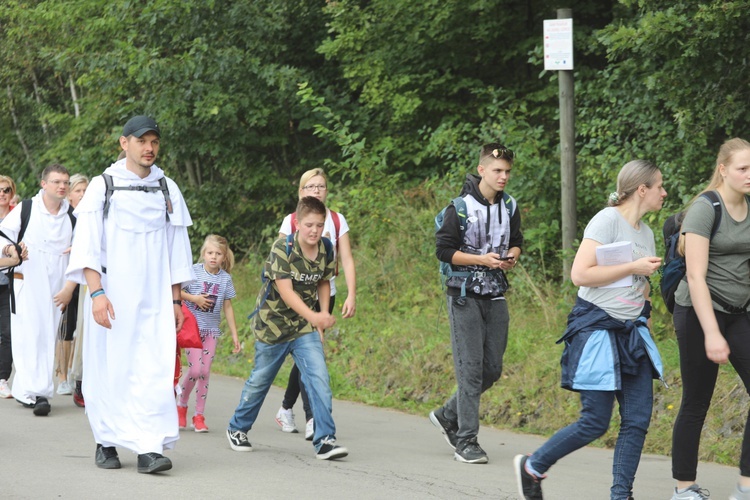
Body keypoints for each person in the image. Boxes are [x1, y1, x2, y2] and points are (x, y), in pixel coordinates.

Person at [513, 160, 667, 500]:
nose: (664, 192)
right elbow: (580, 275)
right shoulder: (607, 220)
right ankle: (533, 466)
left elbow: (642, 287)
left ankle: (620, 495)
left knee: (637, 420)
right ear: (642, 189)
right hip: (597, 328)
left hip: (633, 332)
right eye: (659, 186)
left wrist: (647, 321)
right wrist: (633, 266)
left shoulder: (647, 232)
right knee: (595, 421)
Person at [66, 115, 194, 474]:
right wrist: (97, 294)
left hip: (155, 297)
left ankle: (148, 447)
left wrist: (175, 300)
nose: (149, 148)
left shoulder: (167, 187)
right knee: (112, 368)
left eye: (154, 141)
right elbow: (87, 246)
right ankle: (105, 441)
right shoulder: (102, 185)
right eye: (142, 141)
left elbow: (177, 249)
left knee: (154, 368)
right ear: (124, 143)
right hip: (113, 295)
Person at [227, 196, 348, 461]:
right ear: (297, 223)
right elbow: (286, 292)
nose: (314, 230)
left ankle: (325, 439)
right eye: (309, 225)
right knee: (261, 381)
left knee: (319, 379)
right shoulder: (283, 248)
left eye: (319, 225)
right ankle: (237, 428)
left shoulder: (327, 247)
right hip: (273, 326)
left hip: (303, 327)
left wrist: (324, 312)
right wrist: (316, 317)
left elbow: (324, 282)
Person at [431, 143, 524, 464]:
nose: (503, 177)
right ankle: (466, 441)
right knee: (470, 371)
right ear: (482, 170)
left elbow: (517, 241)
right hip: (463, 295)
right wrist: (480, 260)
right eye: (497, 171)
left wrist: (511, 257)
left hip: (496, 294)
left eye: (508, 172)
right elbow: (444, 251)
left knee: (492, 369)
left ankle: (447, 414)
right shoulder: (458, 208)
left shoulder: (510, 206)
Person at [669, 138, 750, 500]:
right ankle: (684, 488)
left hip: (739, 312)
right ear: (723, 170)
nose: (749, 175)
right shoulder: (705, 209)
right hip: (699, 311)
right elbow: (696, 276)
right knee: (696, 400)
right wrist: (712, 334)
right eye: (742, 169)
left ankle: (745, 486)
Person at [274, 168, 356, 439]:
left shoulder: (335, 219)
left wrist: (351, 294)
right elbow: (279, 263)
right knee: (309, 353)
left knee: (308, 354)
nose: (317, 191)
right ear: (301, 193)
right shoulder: (290, 221)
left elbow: (346, 259)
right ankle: (310, 417)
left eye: (321, 186)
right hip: (297, 299)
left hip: (324, 295)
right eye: (311, 187)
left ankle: (288, 409)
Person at [0, 164, 76, 416]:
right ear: (44, 184)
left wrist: (69, 288)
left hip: (56, 287)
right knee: (27, 334)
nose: (62, 186)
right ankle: (38, 393)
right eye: (56, 182)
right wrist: (12, 251)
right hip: (27, 281)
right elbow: (3, 238)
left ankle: (32, 390)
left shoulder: (72, 217)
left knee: (47, 335)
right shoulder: (27, 209)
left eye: (65, 182)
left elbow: (82, 252)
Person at [177, 234, 241, 433]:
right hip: (193, 329)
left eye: (218, 253)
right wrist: (195, 299)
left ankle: (199, 415)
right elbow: (177, 292)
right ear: (203, 254)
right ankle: (181, 405)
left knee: (205, 373)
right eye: (210, 252)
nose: (213, 257)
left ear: (224, 256)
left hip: (211, 330)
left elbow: (228, 307)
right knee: (195, 370)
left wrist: (234, 334)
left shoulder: (225, 279)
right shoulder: (193, 272)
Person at [55, 173, 88, 397]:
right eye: (78, 191)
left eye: (86, 191)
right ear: (70, 195)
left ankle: (78, 373)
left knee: (80, 329)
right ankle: (62, 377)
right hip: (66, 278)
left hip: (85, 280)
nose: (83, 195)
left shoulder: (90, 216)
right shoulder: (64, 217)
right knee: (65, 329)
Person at [0, 175, 18, 399]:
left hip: (10, 283)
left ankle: (2, 378)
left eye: (6, 190)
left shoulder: (18, 218)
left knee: (7, 332)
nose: (2, 193)